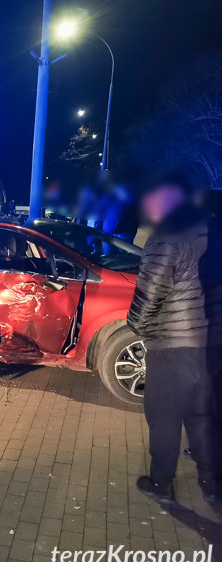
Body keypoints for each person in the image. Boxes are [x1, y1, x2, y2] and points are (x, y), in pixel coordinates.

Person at [127, 171, 222, 504]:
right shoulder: (214, 231)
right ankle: (211, 481)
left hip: (171, 345)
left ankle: (161, 482)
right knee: (202, 415)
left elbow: (150, 293)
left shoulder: (167, 236)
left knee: (164, 416)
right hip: (210, 344)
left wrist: (136, 324)